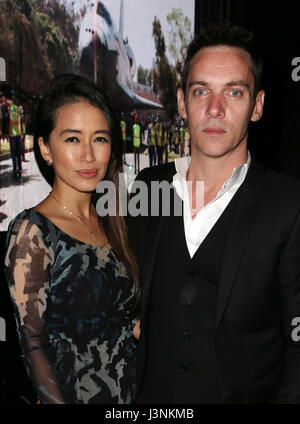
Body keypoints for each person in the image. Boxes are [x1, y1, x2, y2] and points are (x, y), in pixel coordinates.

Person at [128, 24, 300, 403]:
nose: (214, 109)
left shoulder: (289, 205)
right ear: (181, 101)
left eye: (234, 92)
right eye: (201, 90)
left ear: (257, 106)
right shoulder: (148, 186)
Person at [4, 74, 139, 404]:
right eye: (73, 139)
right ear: (46, 149)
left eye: (100, 139)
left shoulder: (115, 222)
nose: (89, 155)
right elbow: (32, 345)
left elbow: (123, 321)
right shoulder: (32, 232)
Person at [7, 95, 22, 178]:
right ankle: (19, 168)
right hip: (18, 132)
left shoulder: (10, 108)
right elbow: (19, 120)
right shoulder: (17, 108)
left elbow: (11, 119)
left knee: (13, 153)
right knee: (18, 152)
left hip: (12, 133)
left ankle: (15, 169)